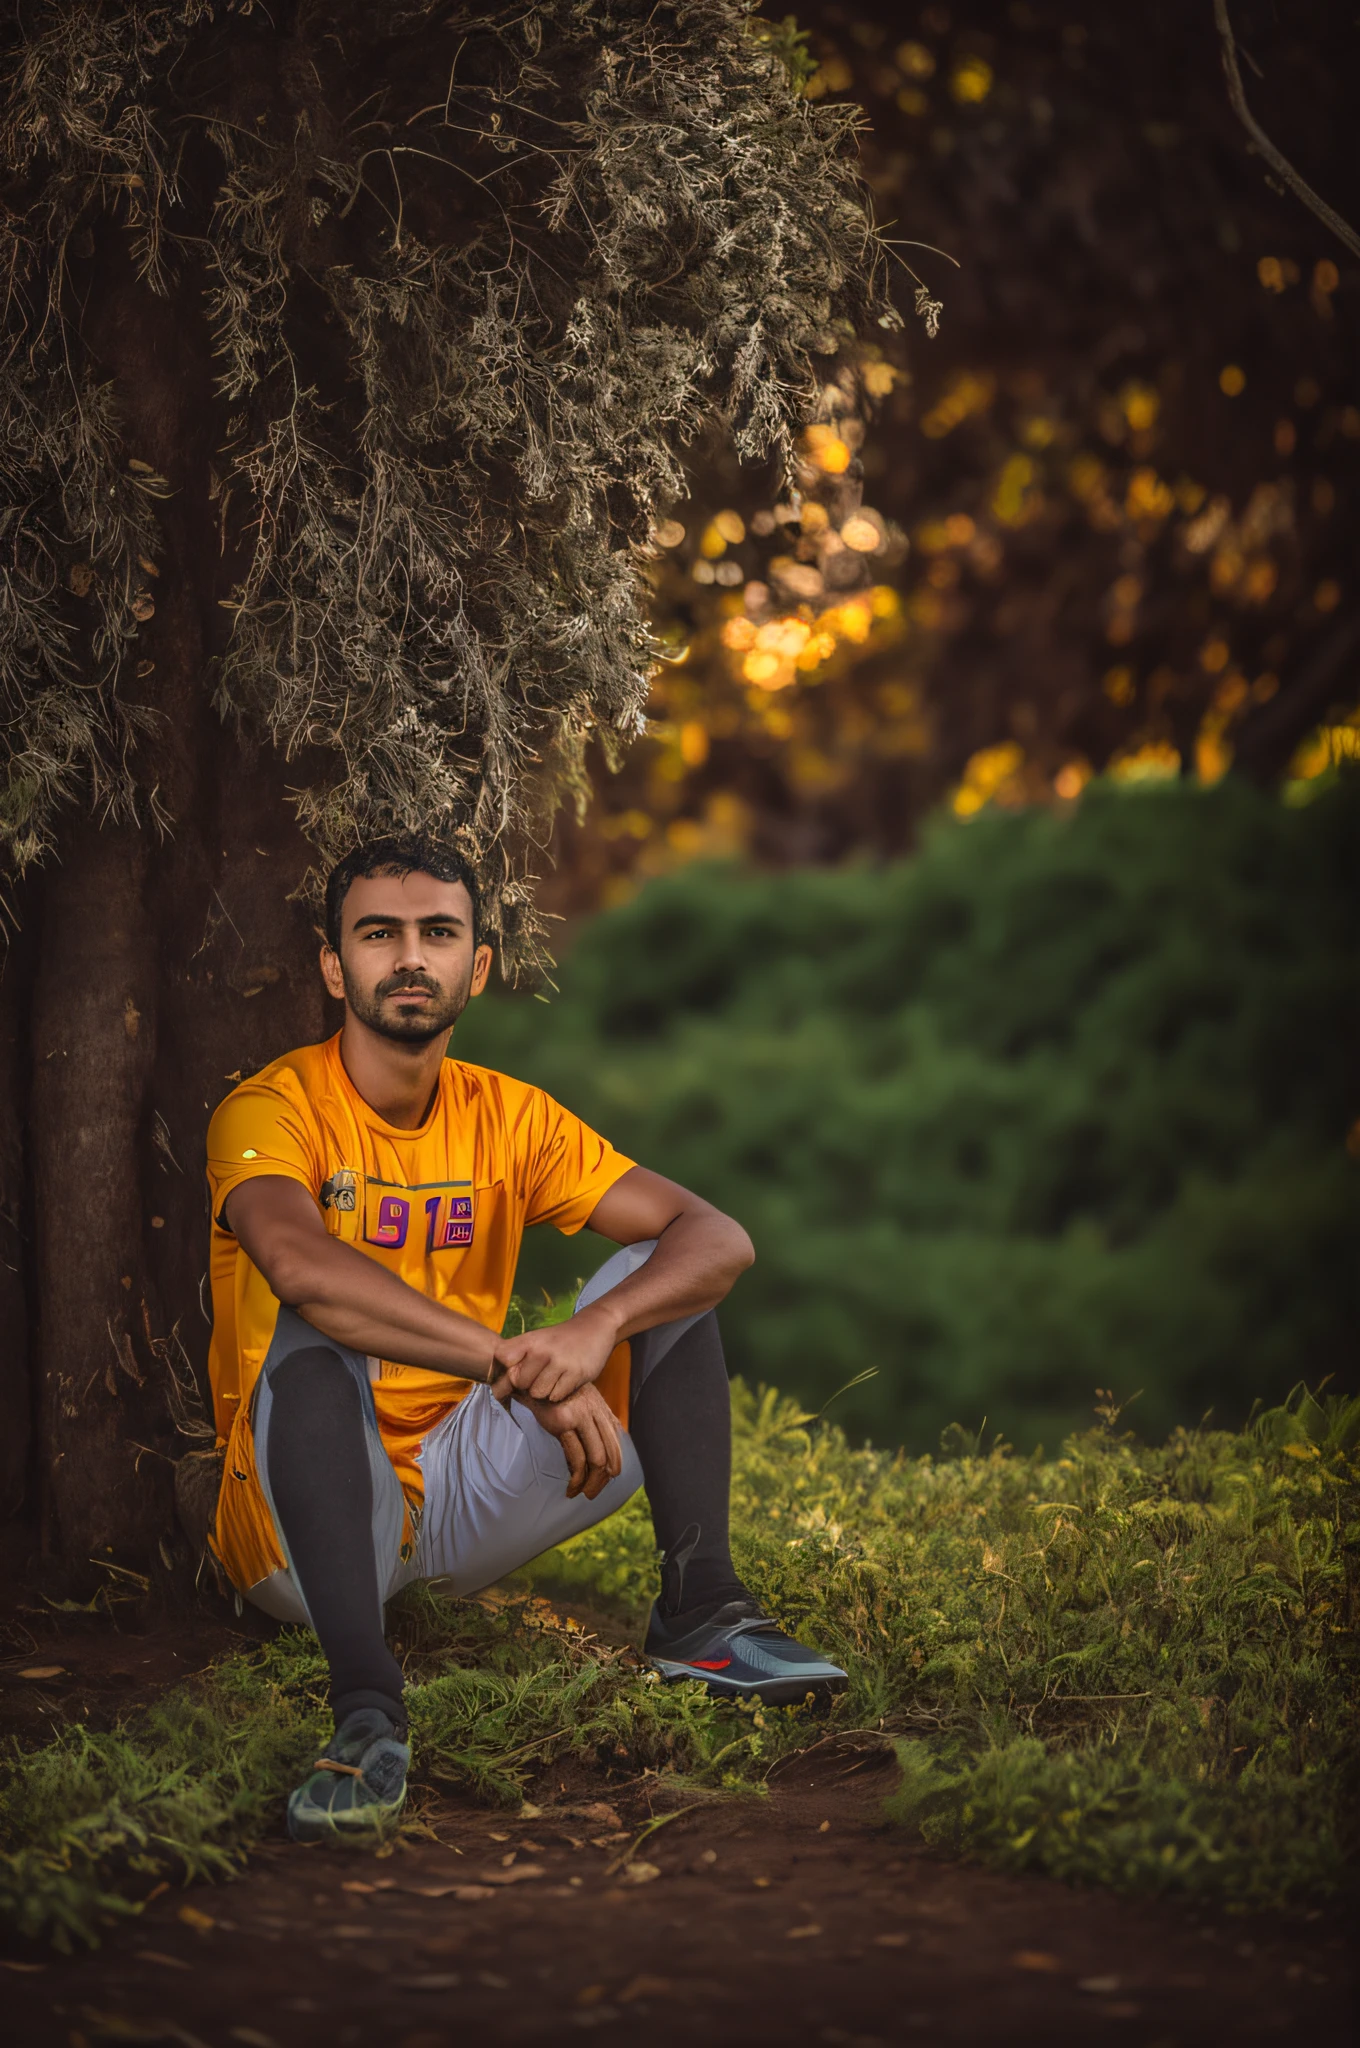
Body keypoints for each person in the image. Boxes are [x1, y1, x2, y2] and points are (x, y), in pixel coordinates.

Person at [204, 835, 846, 1845]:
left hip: (464, 1491)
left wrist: (592, 1330)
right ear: (335, 965)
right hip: (306, 1521)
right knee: (311, 1328)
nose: (408, 957)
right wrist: (511, 1359)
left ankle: (703, 1614)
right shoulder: (271, 1108)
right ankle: (367, 1708)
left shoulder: (509, 1116)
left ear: (478, 965)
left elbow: (719, 1235)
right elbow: (300, 1267)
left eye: (437, 934)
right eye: (378, 934)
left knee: (660, 1276)